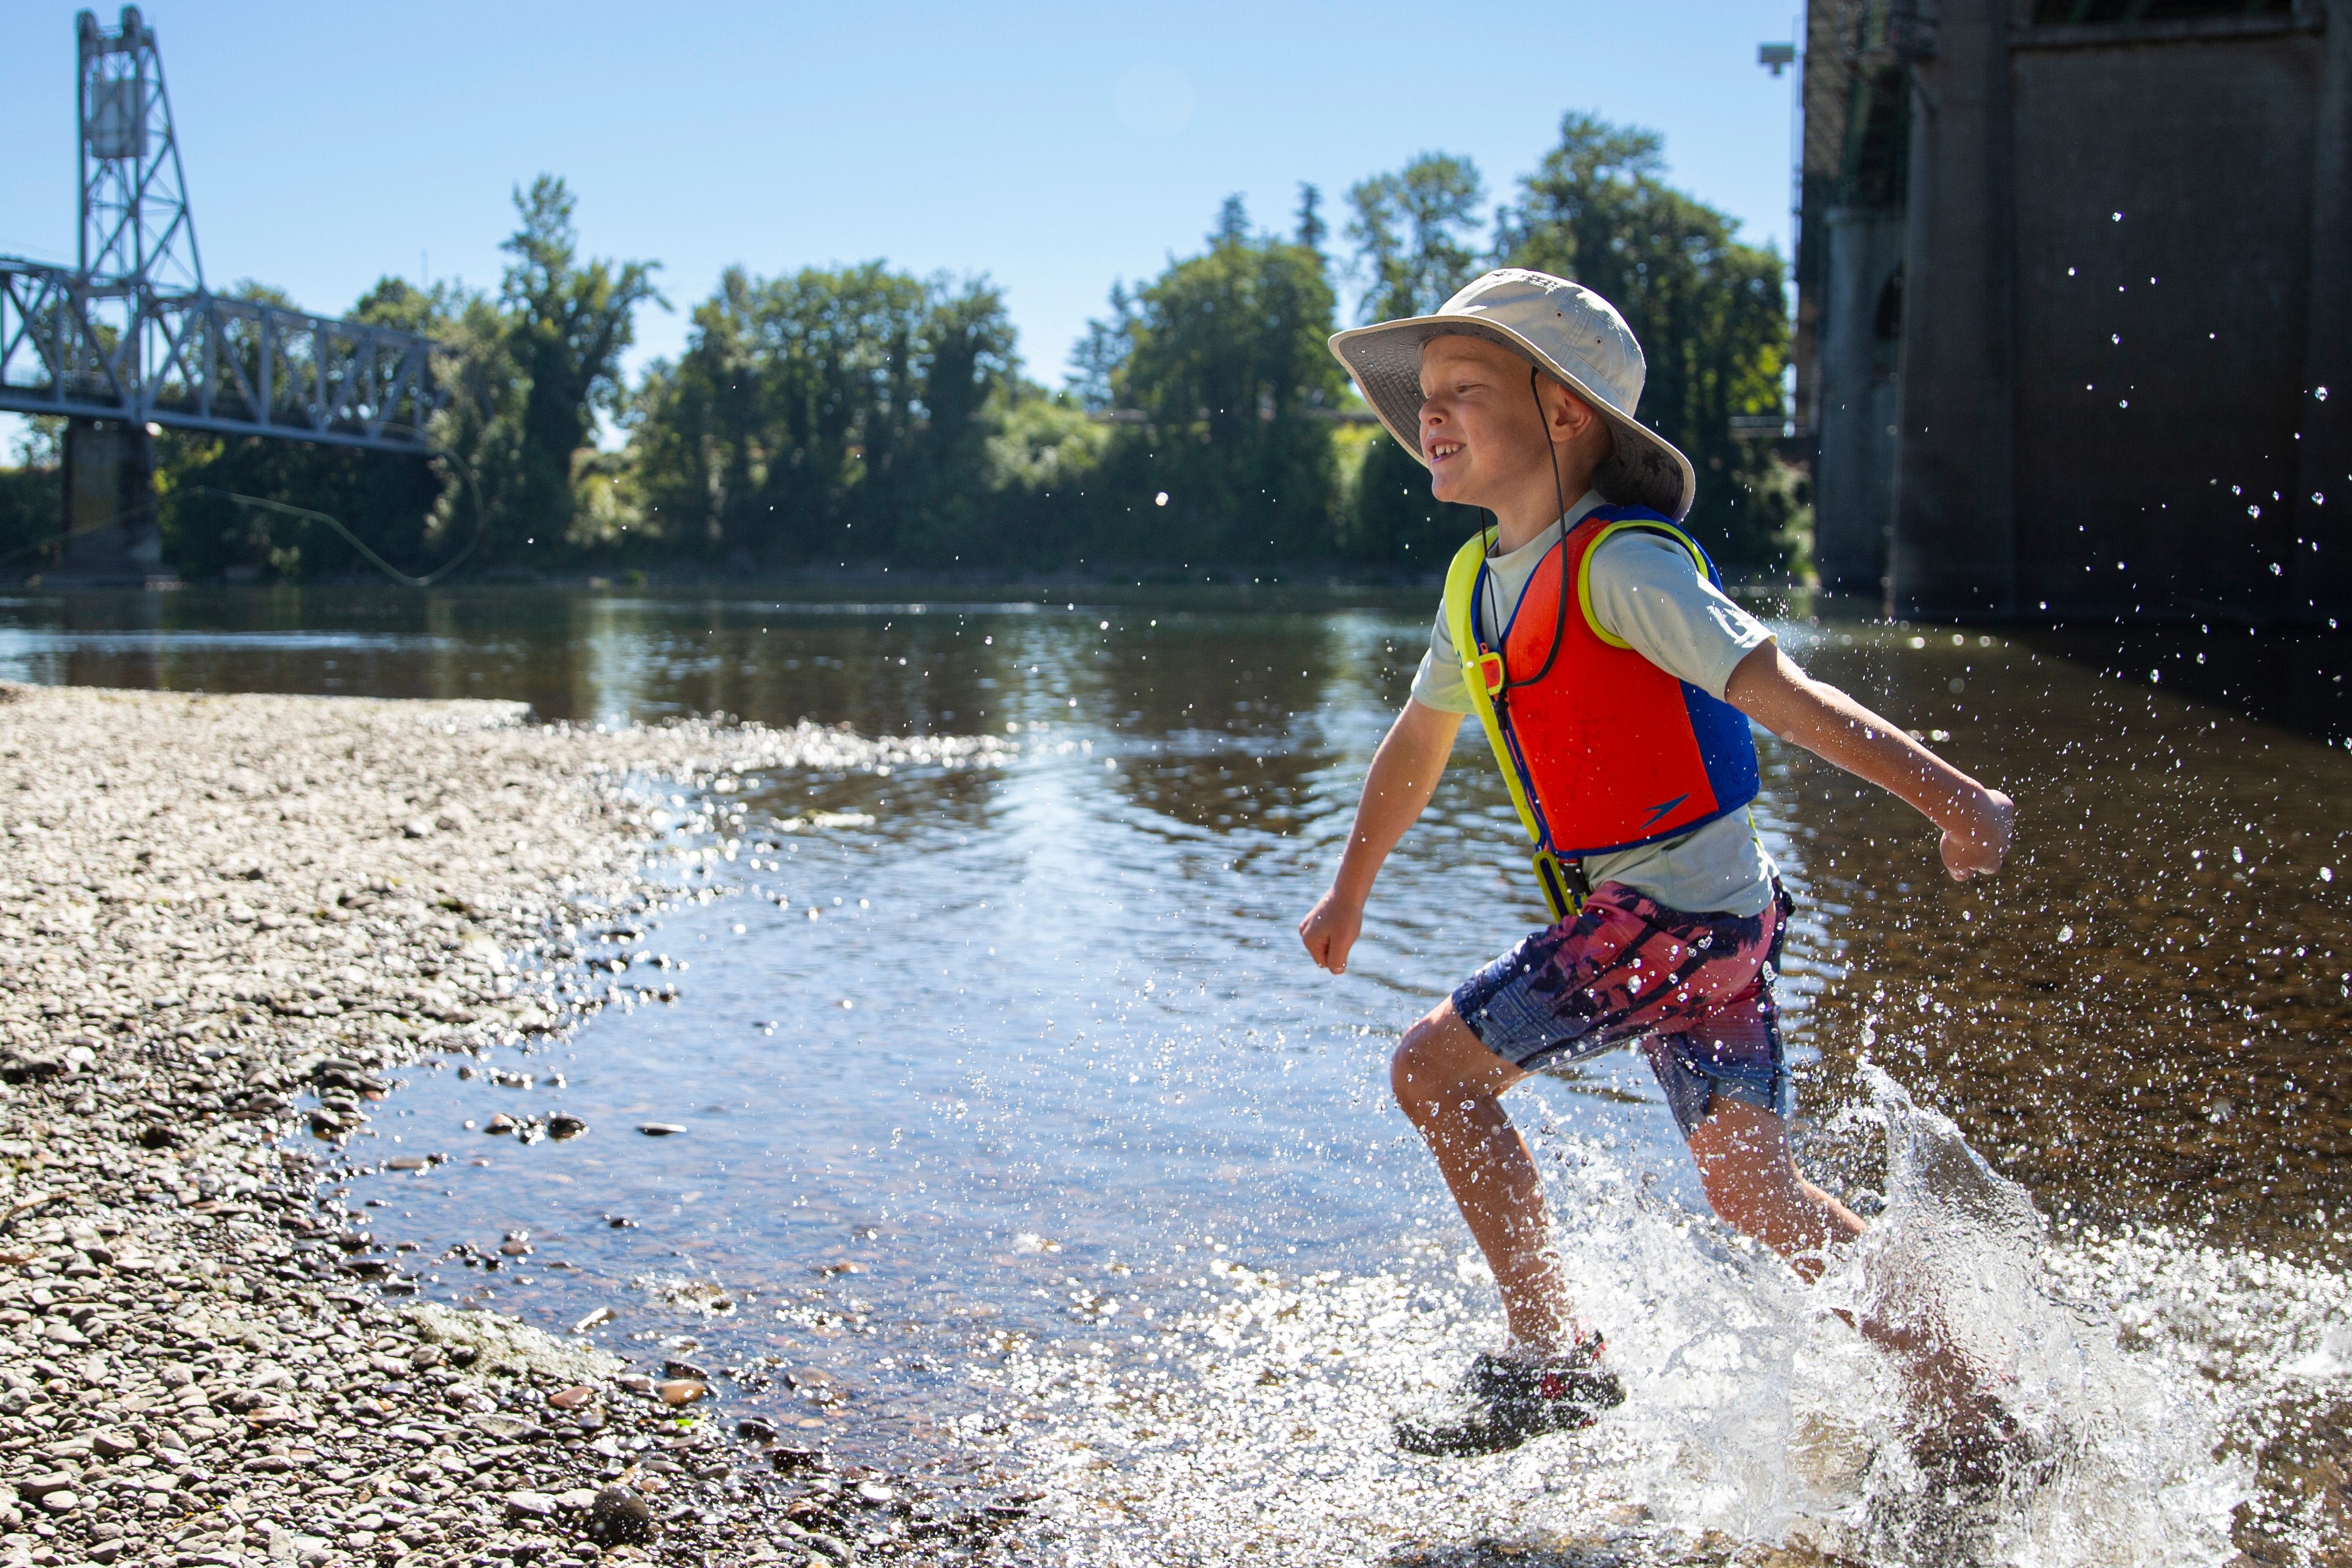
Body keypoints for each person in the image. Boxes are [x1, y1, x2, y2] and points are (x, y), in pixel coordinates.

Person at [1299, 269, 2015, 1457]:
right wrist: (1350, 887)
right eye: (1422, 396)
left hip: (1669, 922)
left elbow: (1784, 697)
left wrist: (1951, 795)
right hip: (1711, 926)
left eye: (1462, 390)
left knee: (1433, 1072)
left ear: (1564, 413)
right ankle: (1964, 1391)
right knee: (1752, 1192)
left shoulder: (1626, 568)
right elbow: (1418, 738)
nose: (1427, 416)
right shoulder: (1477, 582)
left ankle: (1548, 1363)